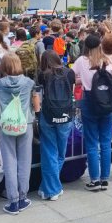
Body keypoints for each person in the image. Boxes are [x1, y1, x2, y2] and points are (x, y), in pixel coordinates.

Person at [0, 53, 39, 215]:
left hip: (6, 125)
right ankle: (23, 196)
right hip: (25, 124)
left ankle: (13, 201)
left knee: (10, 162)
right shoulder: (28, 82)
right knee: (24, 162)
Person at [72, 35, 112, 190]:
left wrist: (82, 79)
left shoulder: (81, 61)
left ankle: (94, 179)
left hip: (89, 101)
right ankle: (104, 179)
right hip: (107, 102)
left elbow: (71, 75)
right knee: (105, 142)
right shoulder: (108, 61)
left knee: (91, 142)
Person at [37, 50, 75, 201]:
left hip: (48, 115)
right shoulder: (69, 72)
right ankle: (50, 187)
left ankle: (51, 188)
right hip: (66, 114)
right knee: (60, 152)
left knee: (49, 152)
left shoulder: (43, 75)